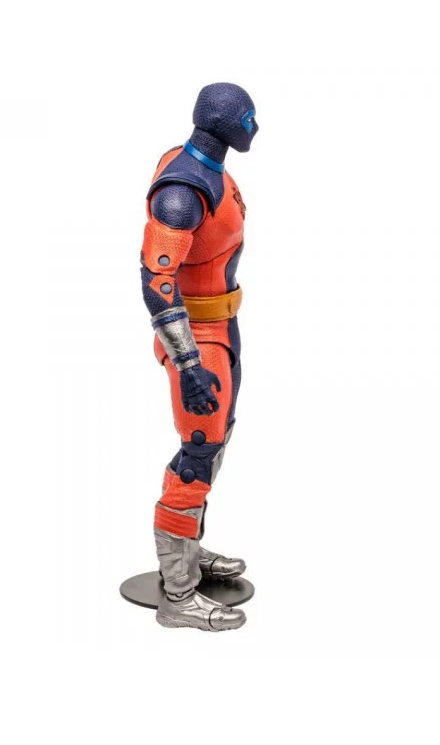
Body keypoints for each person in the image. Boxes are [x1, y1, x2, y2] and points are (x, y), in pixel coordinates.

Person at [140, 83, 258, 630]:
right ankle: (178, 592)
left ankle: (186, 550)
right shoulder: (182, 192)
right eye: (249, 118)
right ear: (224, 122)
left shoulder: (211, 170)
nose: (255, 127)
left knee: (217, 440)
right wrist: (188, 363)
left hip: (223, 325)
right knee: (197, 452)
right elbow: (157, 281)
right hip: (199, 336)